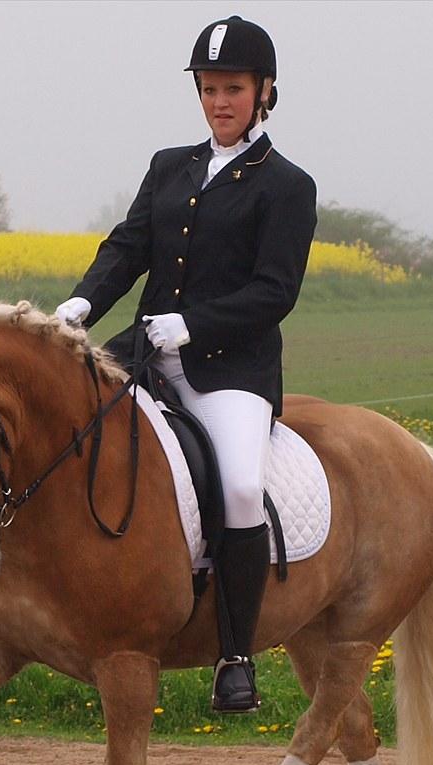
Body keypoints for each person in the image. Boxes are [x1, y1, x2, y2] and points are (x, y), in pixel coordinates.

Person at [55, 15, 317, 712]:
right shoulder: (170, 165)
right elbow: (128, 246)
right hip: (143, 356)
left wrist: (193, 326)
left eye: (232, 88)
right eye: (208, 88)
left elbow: (274, 291)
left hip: (231, 374)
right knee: (58, 430)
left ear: (263, 92)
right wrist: (81, 306)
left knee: (236, 487)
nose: (219, 101)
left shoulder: (287, 186)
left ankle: (235, 654)